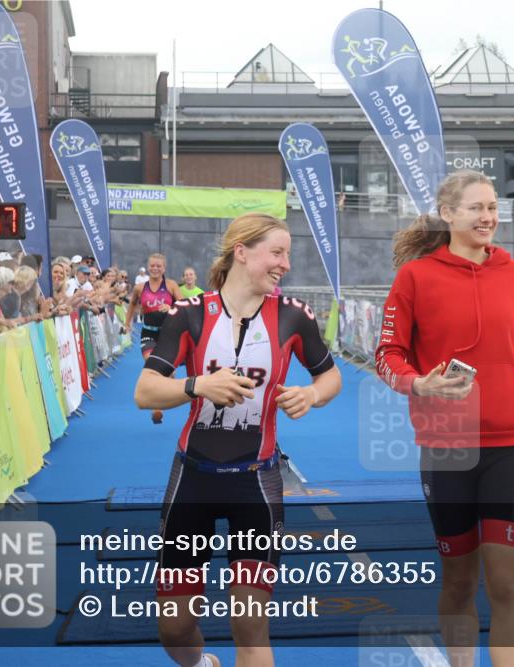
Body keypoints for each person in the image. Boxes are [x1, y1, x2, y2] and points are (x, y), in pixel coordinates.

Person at [374, 170, 514, 667]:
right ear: (448, 214)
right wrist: (417, 383)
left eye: (493, 207)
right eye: (476, 207)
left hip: (510, 444)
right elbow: (388, 354)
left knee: (505, 580)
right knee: (460, 580)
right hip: (447, 445)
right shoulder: (415, 277)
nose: (488, 217)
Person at [134, 213, 342, 667]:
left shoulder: (293, 315)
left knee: (250, 627)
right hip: (193, 480)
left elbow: (331, 377)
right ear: (241, 252)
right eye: (277, 252)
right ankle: (200, 663)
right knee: (174, 628)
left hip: (257, 482)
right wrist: (198, 386)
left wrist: (311, 394)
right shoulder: (188, 314)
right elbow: (145, 391)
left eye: (288, 254)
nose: (286, 264)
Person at [125, 253, 182, 424]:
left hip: (168, 334)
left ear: (164, 268)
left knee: (167, 371)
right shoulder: (140, 288)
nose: (155, 268)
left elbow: (184, 306)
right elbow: (132, 304)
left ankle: (164, 395)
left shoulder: (171, 285)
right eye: (152, 265)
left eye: (159, 266)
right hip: (148, 333)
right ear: (148, 267)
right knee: (153, 365)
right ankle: (157, 408)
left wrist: (171, 307)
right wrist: (127, 323)